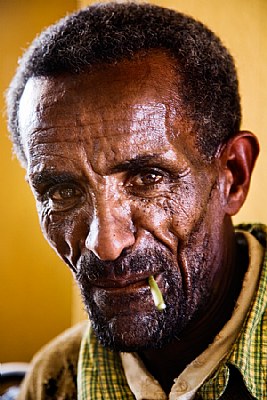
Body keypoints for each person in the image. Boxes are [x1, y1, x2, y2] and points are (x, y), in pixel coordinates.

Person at [6, 2, 266, 399]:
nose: (106, 244)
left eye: (148, 178)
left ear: (233, 175)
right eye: (62, 192)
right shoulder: (55, 380)